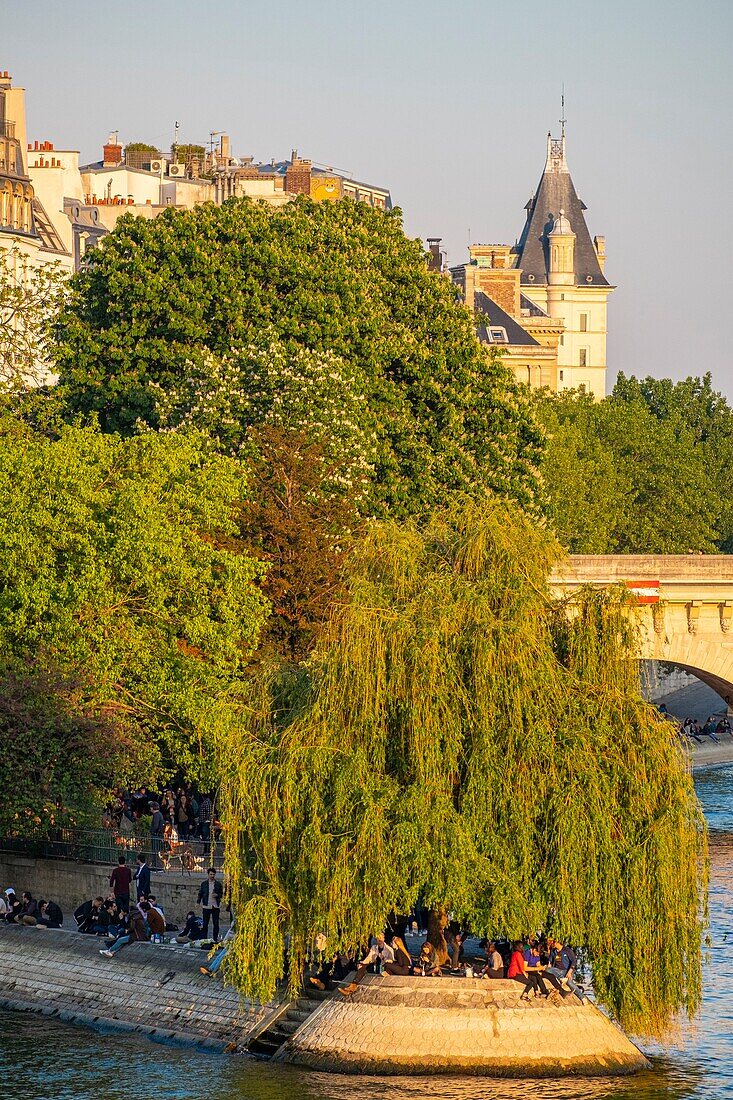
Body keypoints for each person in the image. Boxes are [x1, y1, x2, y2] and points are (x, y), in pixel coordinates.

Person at [197, 867, 224, 941]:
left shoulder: (218, 884)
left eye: (213, 874)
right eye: (211, 874)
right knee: (205, 924)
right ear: (208, 874)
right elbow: (200, 893)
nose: (212, 876)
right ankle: (204, 939)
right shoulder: (204, 884)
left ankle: (215, 938)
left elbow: (221, 894)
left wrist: (217, 895)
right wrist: (198, 902)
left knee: (216, 923)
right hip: (206, 906)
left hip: (215, 906)